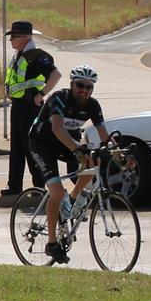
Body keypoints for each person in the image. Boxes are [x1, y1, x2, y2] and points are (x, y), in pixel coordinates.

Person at [28, 65, 116, 263]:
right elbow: (58, 129)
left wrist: (120, 155)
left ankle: (74, 198)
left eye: (88, 86)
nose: (84, 90)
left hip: (65, 144)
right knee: (57, 192)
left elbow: (104, 134)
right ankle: (51, 244)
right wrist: (78, 148)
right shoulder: (59, 98)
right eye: (80, 85)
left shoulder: (92, 105)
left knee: (95, 159)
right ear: (72, 84)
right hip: (41, 144)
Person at [1, 21, 56, 196]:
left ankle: (39, 186)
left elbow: (56, 75)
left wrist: (41, 94)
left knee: (31, 147)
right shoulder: (20, 54)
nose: (11, 41)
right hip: (18, 107)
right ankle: (14, 186)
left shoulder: (37, 56)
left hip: (30, 107)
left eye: (14, 37)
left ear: (26, 37)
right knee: (16, 147)